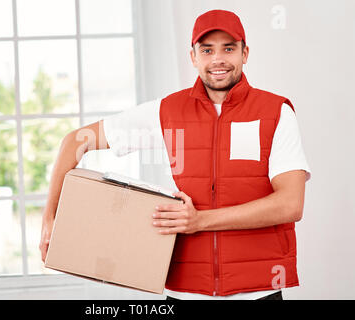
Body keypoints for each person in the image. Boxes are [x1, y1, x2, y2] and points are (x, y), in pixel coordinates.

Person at [39, 9, 311, 300]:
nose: (218, 59)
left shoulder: (275, 112)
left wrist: (200, 221)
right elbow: (75, 141)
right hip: (186, 292)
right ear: (193, 57)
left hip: (258, 292)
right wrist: (49, 220)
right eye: (206, 50)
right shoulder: (167, 112)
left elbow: (290, 204)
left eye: (228, 48)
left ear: (245, 53)